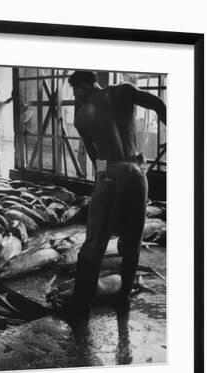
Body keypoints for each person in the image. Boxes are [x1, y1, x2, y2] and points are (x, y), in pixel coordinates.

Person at [64, 70, 166, 318]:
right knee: (132, 240)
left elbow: (95, 154)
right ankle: (123, 298)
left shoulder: (81, 116)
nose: (76, 96)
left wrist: (102, 181)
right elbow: (158, 104)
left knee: (95, 242)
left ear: (84, 85)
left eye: (76, 90)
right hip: (137, 173)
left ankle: (81, 305)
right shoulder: (124, 91)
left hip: (110, 173)